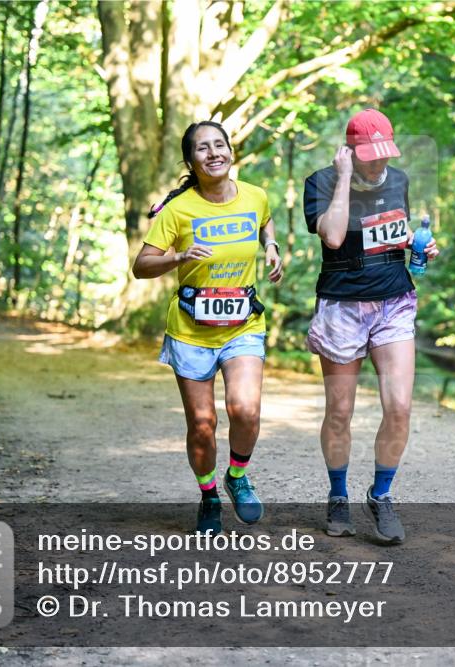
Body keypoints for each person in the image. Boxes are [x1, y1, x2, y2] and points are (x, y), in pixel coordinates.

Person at [133, 121, 283, 534]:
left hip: (242, 324)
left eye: (220, 145)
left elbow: (264, 219)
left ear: (230, 152)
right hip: (191, 330)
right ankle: (209, 494)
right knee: (202, 425)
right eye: (203, 148)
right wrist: (178, 257)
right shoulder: (177, 210)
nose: (213, 153)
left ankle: (237, 476)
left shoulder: (254, 195)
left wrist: (270, 245)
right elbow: (141, 266)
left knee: (245, 410)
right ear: (190, 161)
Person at [303, 109, 439, 544]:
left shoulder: (398, 180)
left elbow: (396, 233)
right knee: (340, 412)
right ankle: (338, 496)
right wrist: (344, 178)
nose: (379, 162)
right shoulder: (320, 182)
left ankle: (380, 496)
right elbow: (333, 236)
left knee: (399, 407)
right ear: (349, 152)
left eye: (384, 153)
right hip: (342, 305)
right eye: (368, 156)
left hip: (393, 302)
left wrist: (419, 245)